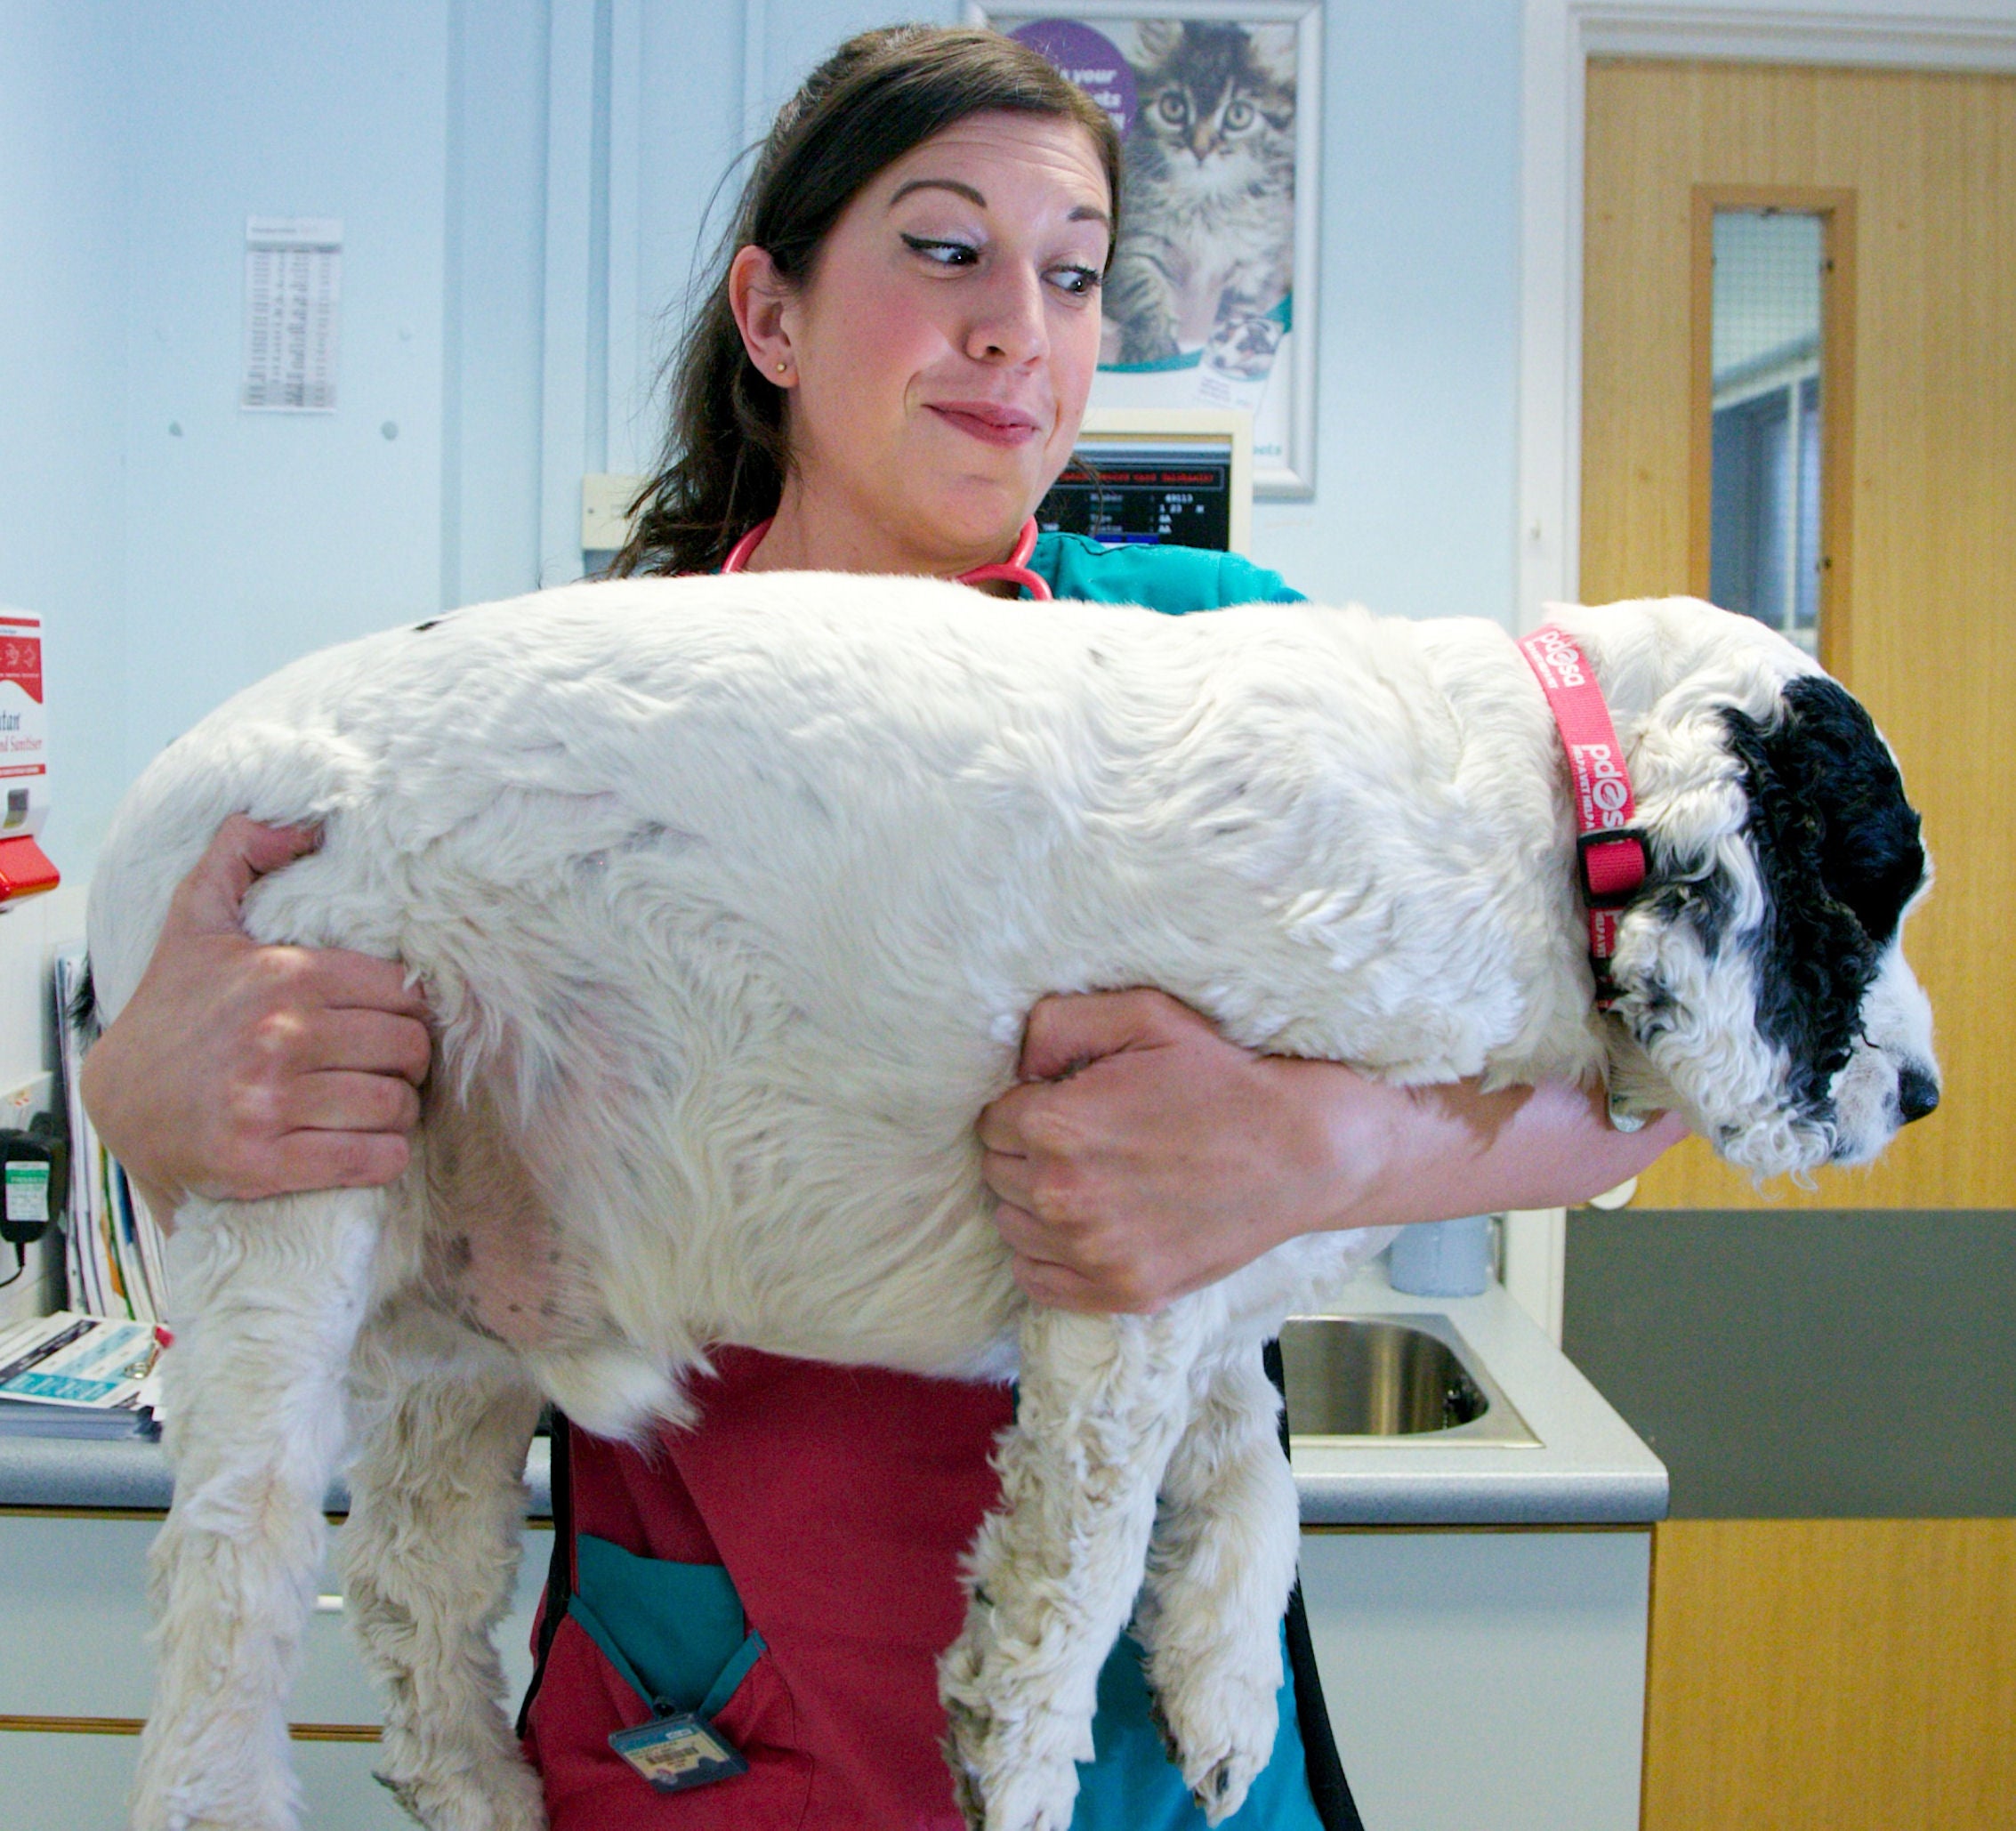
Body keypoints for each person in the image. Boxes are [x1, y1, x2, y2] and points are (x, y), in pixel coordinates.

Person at [81, 25, 1685, 1830]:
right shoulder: (562, 718)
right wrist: (143, 1094)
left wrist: (1322, 1143)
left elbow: (1662, 1057)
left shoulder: (1225, 661)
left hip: (1130, 1746)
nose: (1018, 326)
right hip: (707, 1697)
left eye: (1071, 275)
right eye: (943, 252)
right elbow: (329, 1116)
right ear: (770, 318)